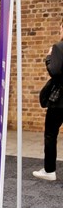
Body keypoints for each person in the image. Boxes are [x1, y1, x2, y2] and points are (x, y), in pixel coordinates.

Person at [32, 17, 63, 181]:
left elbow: (55, 72)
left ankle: (49, 171)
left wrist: (49, 58)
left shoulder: (58, 47)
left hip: (59, 101)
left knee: (51, 134)